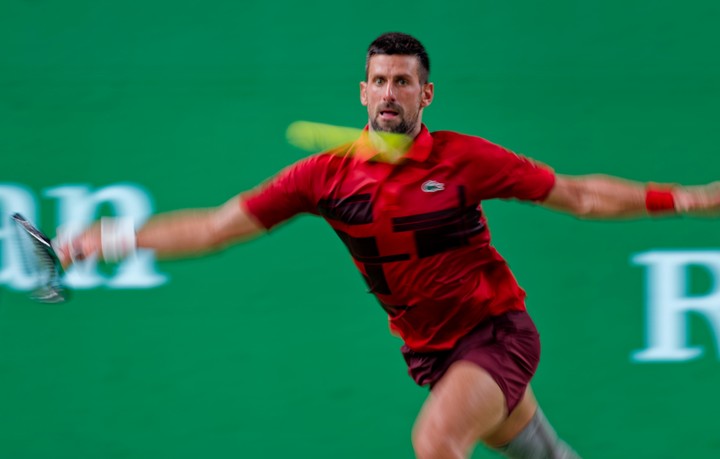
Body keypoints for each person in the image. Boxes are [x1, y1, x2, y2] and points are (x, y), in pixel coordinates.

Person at [58, 32, 720, 459]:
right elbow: (214, 227)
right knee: (546, 455)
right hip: (430, 352)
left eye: (403, 81)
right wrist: (106, 237)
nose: (389, 92)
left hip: (497, 334)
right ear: (362, 92)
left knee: (435, 441)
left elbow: (578, 194)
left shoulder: (465, 159)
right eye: (379, 80)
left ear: (425, 94)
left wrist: (686, 197)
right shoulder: (323, 176)